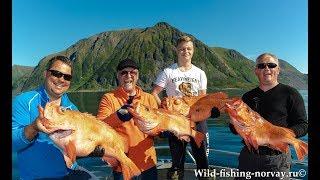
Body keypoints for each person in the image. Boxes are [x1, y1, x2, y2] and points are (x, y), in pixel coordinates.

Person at [12, 55, 102, 179]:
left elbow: (76, 148)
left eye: (67, 77)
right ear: (45, 74)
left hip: (71, 172)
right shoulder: (23, 101)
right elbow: (13, 144)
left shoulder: (73, 109)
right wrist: (33, 128)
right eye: (56, 73)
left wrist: (95, 148)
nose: (61, 79)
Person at [229, 53, 308, 179]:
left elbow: (303, 125)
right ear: (256, 71)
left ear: (278, 69)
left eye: (271, 65)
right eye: (261, 66)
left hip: (277, 160)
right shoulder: (247, 97)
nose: (267, 68)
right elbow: (234, 130)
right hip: (248, 158)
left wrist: (285, 134)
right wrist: (233, 122)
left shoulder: (291, 93)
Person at [152, 35, 220, 179]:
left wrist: (210, 110)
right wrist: (164, 113)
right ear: (177, 50)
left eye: (189, 48)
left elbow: (202, 99)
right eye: (182, 49)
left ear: (193, 50)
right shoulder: (168, 72)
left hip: (198, 121)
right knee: (177, 164)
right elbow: (154, 94)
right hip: (176, 121)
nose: (186, 51)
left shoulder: (200, 73)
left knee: (202, 161)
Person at [97, 58, 158, 180]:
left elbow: (156, 128)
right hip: (122, 166)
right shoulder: (108, 98)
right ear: (118, 76)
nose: (128, 76)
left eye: (133, 73)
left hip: (148, 163)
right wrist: (118, 116)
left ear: (137, 75)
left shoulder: (150, 99)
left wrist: (163, 131)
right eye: (124, 72)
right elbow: (99, 127)